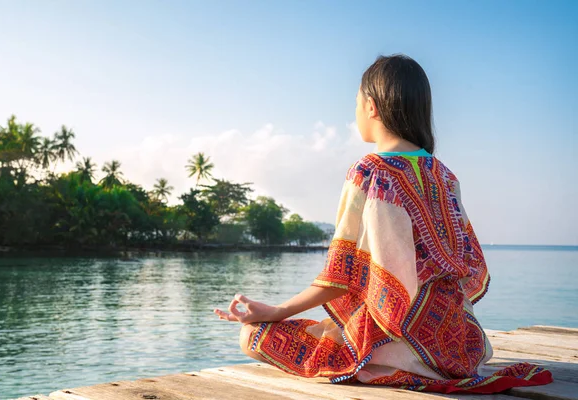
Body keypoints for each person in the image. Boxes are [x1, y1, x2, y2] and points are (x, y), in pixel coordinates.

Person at [213, 54, 552, 393]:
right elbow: (468, 266)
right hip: (460, 348)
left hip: (395, 347)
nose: (356, 112)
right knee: (326, 327)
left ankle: (379, 356)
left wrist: (277, 310)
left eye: (357, 104)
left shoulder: (369, 172)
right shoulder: (445, 176)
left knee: (252, 335)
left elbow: (341, 278)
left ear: (372, 106)